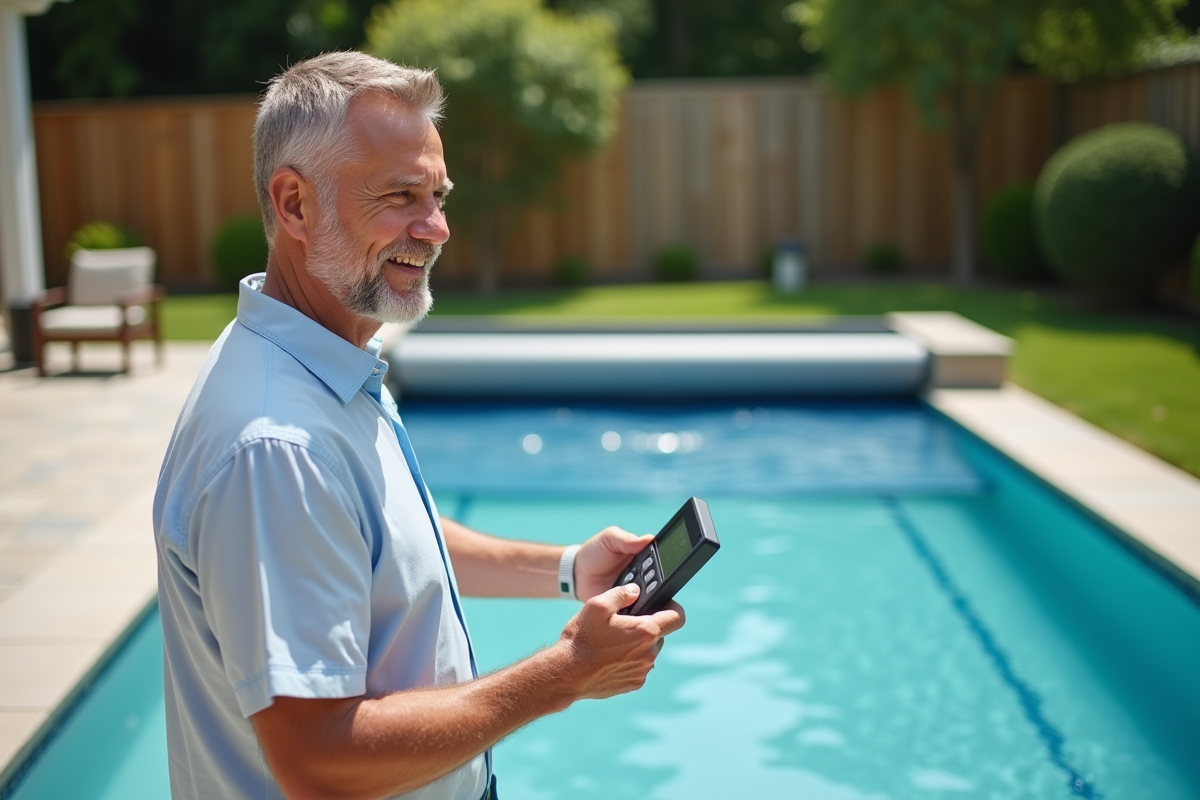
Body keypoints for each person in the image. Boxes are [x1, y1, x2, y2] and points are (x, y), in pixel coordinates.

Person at [152, 51, 685, 800]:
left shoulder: (320, 361)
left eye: (437, 195)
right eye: (401, 196)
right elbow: (317, 760)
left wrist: (567, 567)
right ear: (295, 205)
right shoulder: (277, 448)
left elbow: (382, 542)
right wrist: (564, 673)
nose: (435, 228)